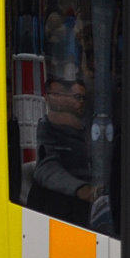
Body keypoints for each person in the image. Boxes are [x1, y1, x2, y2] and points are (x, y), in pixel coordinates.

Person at [27, 78, 101, 228]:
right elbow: (47, 167)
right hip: (56, 208)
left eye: (83, 98)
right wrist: (81, 189)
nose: (81, 102)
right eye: (77, 97)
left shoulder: (87, 126)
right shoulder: (46, 127)